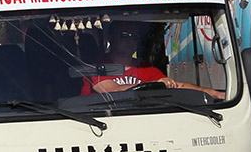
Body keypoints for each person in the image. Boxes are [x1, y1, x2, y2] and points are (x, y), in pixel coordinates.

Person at [83, 21, 224, 99]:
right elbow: (112, 91)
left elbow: (175, 86)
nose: (131, 40)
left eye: (135, 36)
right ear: (111, 38)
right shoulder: (97, 67)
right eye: (125, 35)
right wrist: (153, 85)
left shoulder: (145, 68)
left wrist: (211, 92)